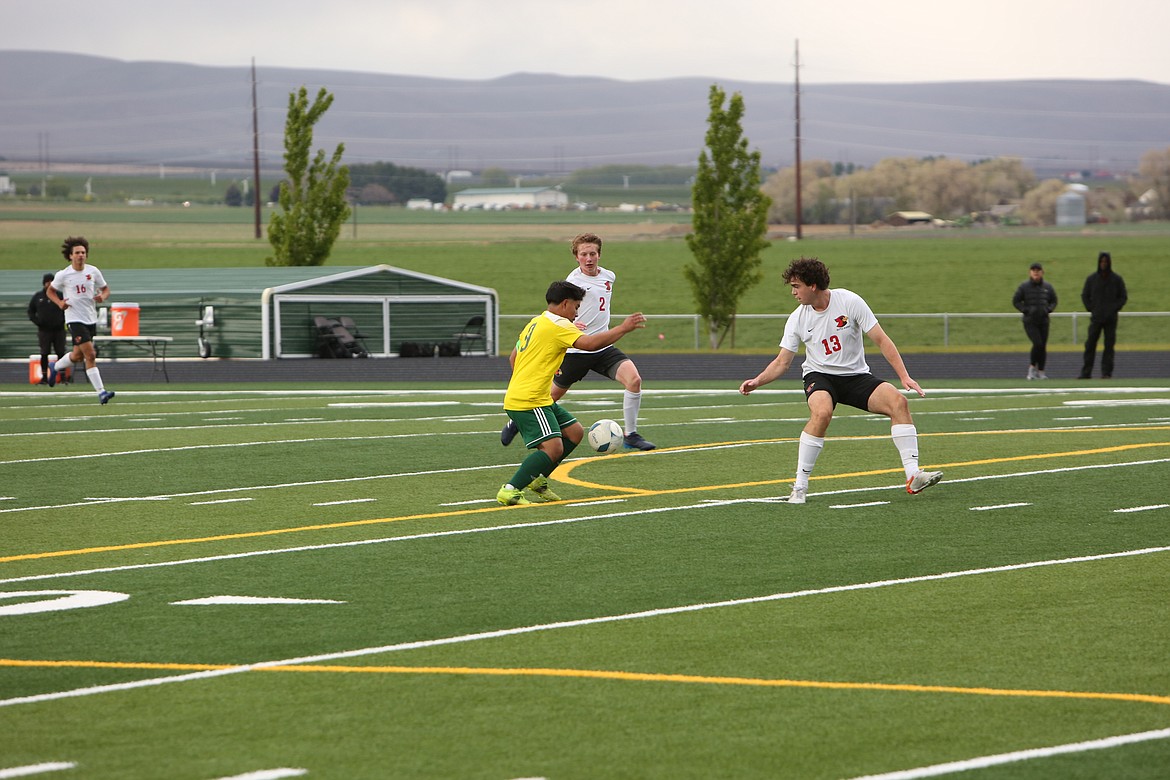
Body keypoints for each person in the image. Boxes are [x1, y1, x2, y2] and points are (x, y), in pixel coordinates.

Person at [738, 257, 942, 505]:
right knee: (822, 413)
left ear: (812, 285)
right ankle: (799, 488)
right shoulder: (797, 319)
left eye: (796, 286)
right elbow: (782, 362)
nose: (793, 292)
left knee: (898, 402)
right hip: (820, 376)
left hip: (856, 377)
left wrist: (904, 376)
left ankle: (914, 476)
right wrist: (757, 381)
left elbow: (881, 339)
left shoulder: (849, 301)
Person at [500, 233, 656, 451]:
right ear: (576, 257)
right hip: (576, 350)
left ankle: (631, 435)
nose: (589, 258)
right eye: (584, 254)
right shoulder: (573, 282)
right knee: (548, 398)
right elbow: (560, 311)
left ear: (599, 255)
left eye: (593, 253)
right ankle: (516, 421)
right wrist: (572, 325)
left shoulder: (609, 276)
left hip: (603, 347)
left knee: (634, 380)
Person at [497, 280, 646, 506]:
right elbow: (589, 345)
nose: (577, 313)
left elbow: (513, 358)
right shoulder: (559, 326)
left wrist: (538, 367)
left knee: (574, 433)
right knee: (553, 447)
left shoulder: (536, 322)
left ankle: (538, 479)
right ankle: (510, 490)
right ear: (566, 304)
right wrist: (623, 328)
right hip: (529, 400)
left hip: (533, 396)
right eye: (576, 307)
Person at [44, 236, 116, 404]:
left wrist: (102, 297)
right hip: (74, 319)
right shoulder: (64, 274)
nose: (80, 255)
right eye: (77, 253)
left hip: (90, 318)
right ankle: (101, 392)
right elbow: (50, 292)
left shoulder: (93, 272)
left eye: (83, 252)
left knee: (77, 355)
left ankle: (55, 367)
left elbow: (106, 289)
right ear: (70, 256)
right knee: (90, 355)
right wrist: (60, 303)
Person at [1078, 251, 1127, 379]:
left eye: (1106, 262)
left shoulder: (1116, 280)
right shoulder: (1092, 279)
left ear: (1109, 263)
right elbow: (1084, 295)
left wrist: (1114, 308)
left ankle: (1106, 373)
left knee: (1109, 346)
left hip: (1111, 319)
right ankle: (1086, 373)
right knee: (1090, 344)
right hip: (1096, 318)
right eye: (1101, 261)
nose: (1103, 264)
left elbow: (1123, 297)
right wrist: (1091, 308)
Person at [1012, 261, 1058, 380]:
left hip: (1044, 320)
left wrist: (1048, 310)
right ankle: (1032, 369)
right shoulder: (1024, 287)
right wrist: (1026, 310)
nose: (1036, 272)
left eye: (1038, 270)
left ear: (1042, 272)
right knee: (1037, 343)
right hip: (1030, 321)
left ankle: (1041, 371)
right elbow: (1015, 301)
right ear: (1030, 272)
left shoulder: (1047, 287)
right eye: (1033, 270)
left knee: (1043, 346)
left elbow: (1054, 301)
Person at [28, 272, 68, 385]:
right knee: (44, 353)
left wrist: (62, 321)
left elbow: (68, 308)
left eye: (51, 281)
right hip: (44, 330)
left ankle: (63, 376)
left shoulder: (60, 295)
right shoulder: (38, 297)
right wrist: (38, 322)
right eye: (47, 282)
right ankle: (44, 377)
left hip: (59, 330)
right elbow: (31, 311)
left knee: (61, 353)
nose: (49, 284)